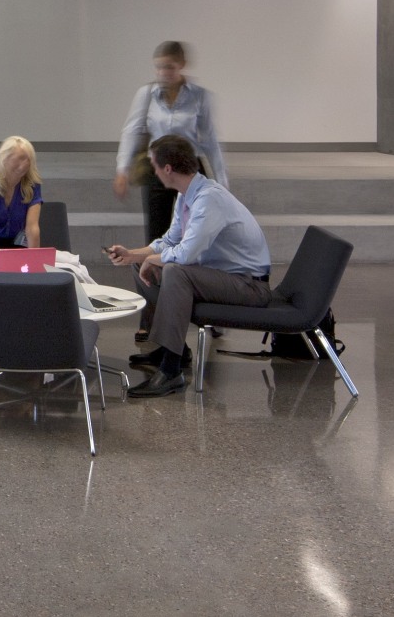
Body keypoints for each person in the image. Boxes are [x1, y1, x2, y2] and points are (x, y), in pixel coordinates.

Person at [104, 134, 272, 396]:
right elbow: (170, 240)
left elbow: (186, 254)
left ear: (167, 169)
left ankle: (171, 372)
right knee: (143, 266)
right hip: (222, 276)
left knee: (175, 271)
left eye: (154, 165)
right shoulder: (187, 195)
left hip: (248, 285)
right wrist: (133, 255)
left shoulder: (208, 199)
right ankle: (176, 350)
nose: (154, 171)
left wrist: (149, 258)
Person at [113, 39, 227, 242]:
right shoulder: (147, 94)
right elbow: (131, 131)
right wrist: (122, 170)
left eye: (169, 67)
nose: (163, 72)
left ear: (181, 65)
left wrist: (221, 180)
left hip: (189, 168)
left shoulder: (199, 96)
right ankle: (155, 272)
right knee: (157, 231)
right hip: (157, 168)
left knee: (194, 229)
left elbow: (210, 139)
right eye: (159, 67)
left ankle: (188, 272)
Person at [0, 135, 44, 269]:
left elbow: (32, 228)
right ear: (4, 159)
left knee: (27, 265)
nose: (25, 164)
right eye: (21, 158)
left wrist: (34, 261)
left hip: (20, 242)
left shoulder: (33, 188)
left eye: (28, 159)